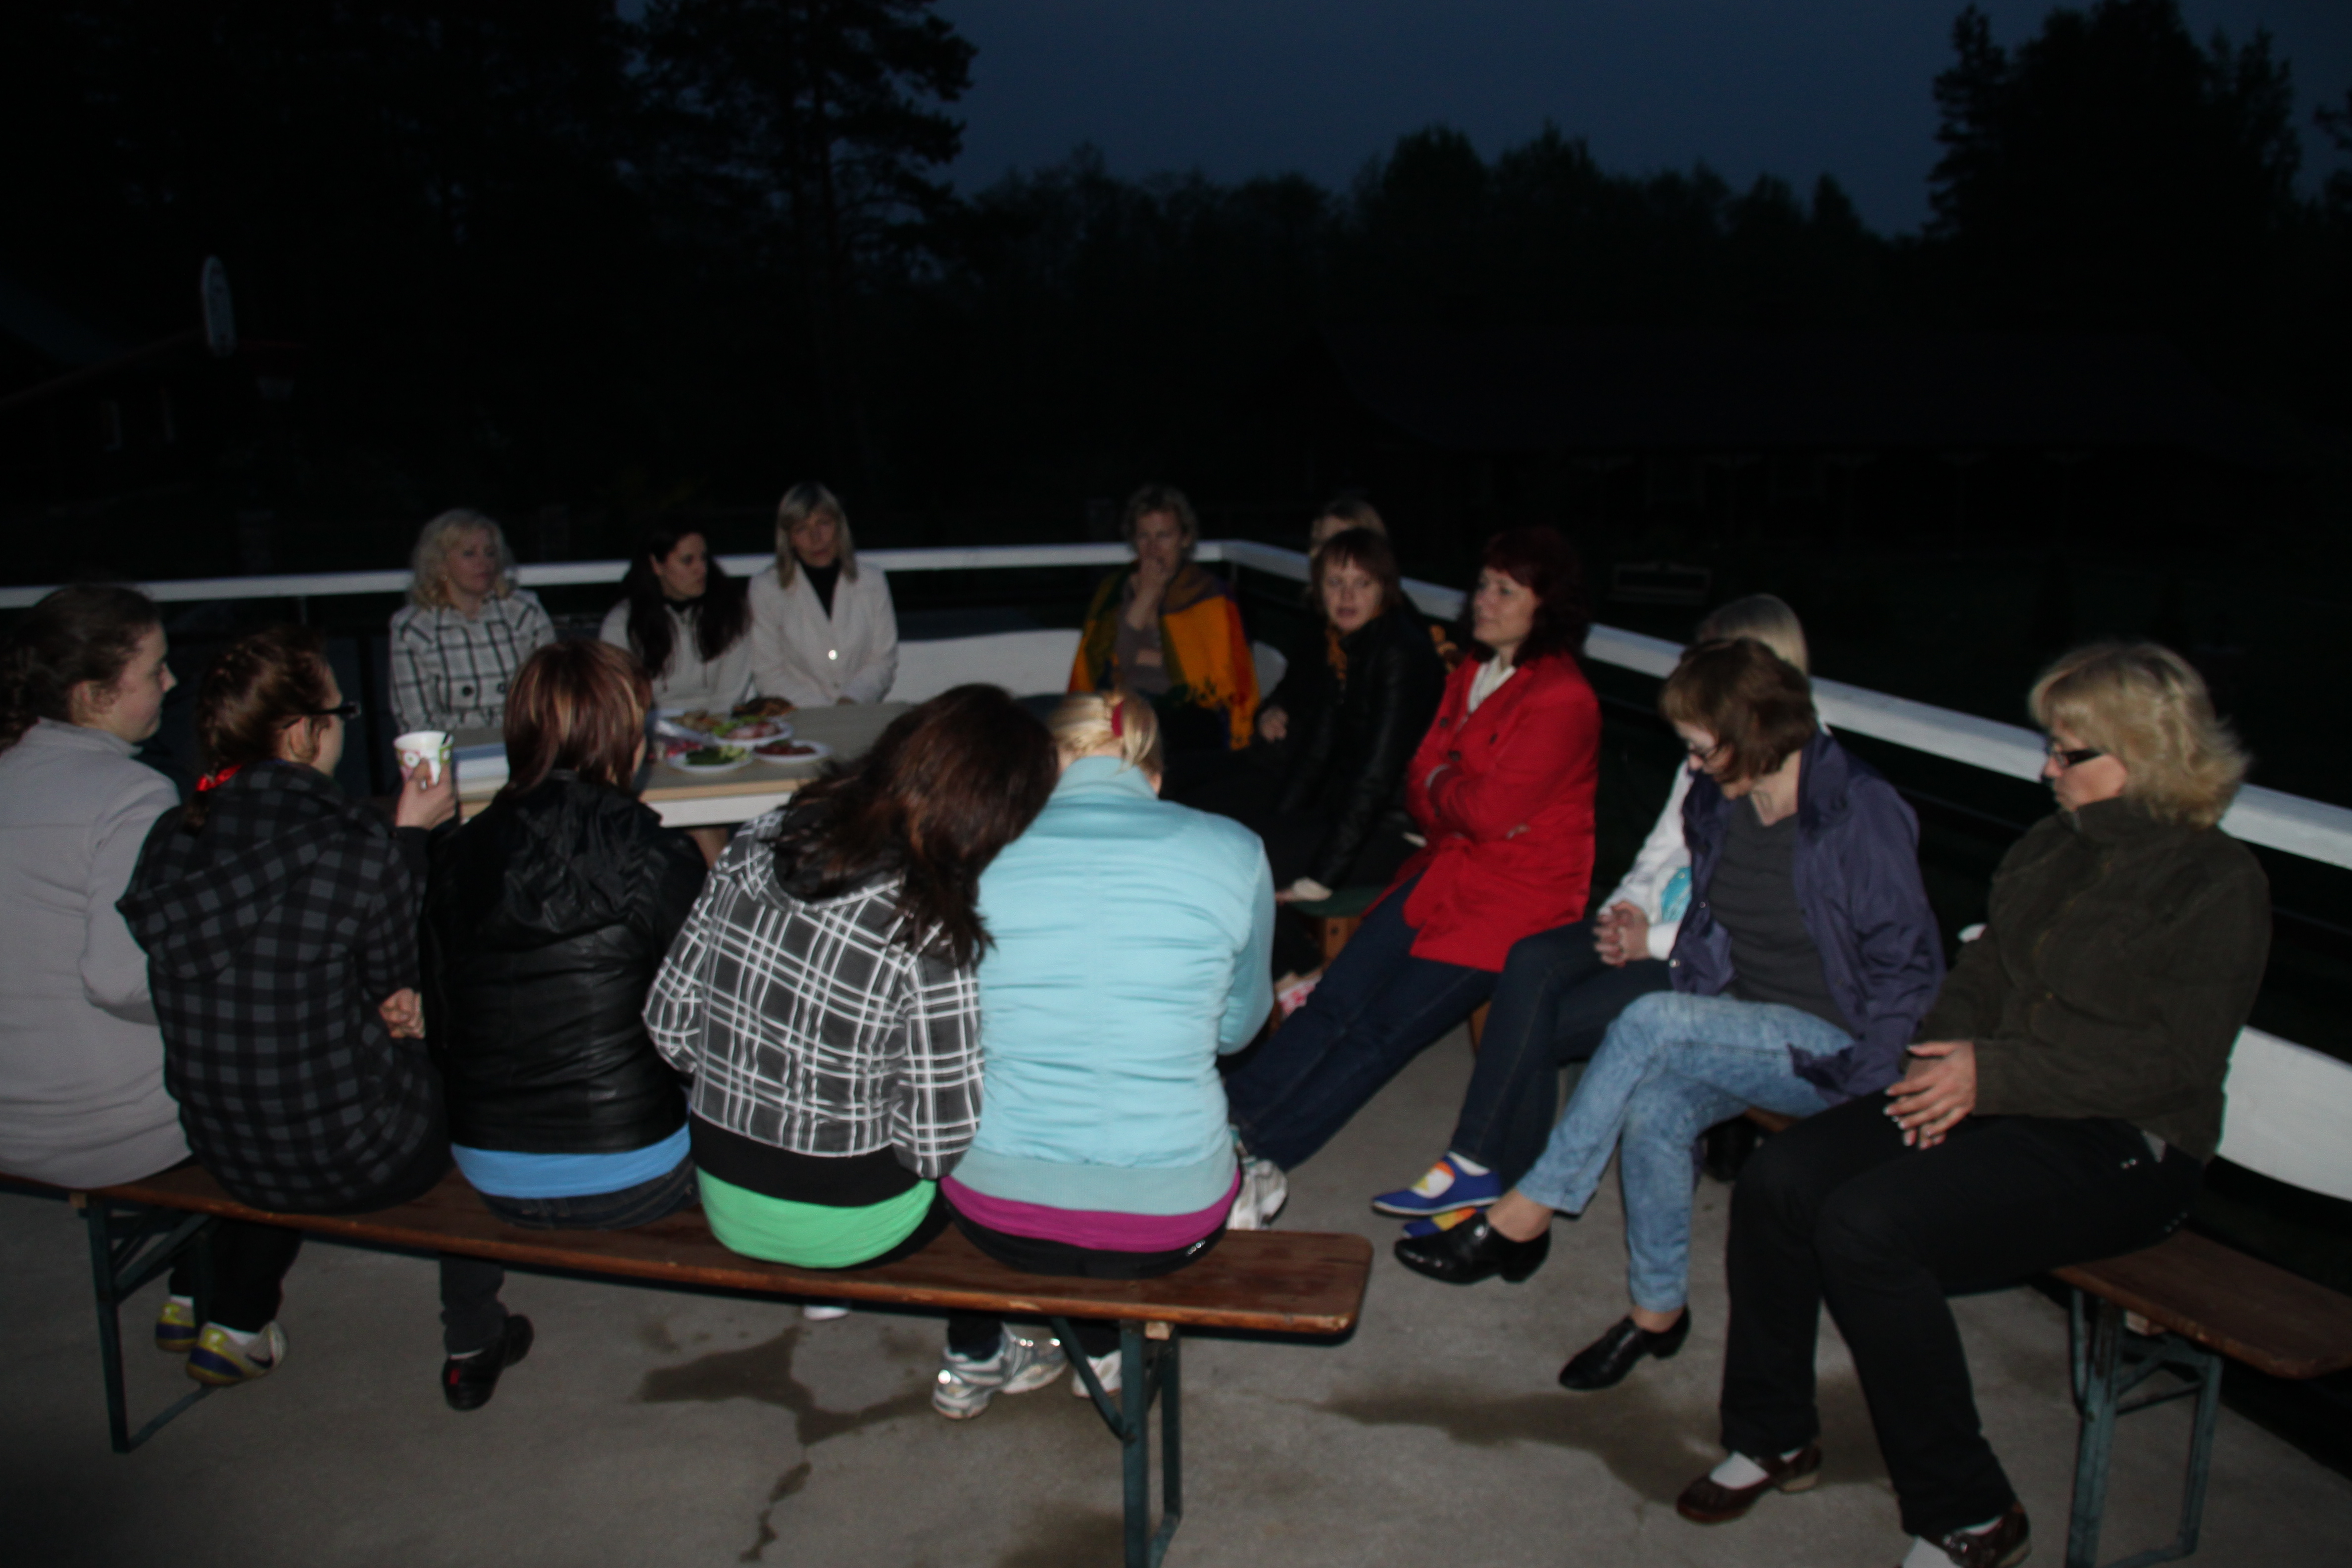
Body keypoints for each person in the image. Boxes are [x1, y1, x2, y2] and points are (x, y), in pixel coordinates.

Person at [1676, 643, 2266, 1568]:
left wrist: (1990, 1075)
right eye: (2050, 746)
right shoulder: (2052, 846)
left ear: (2145, 754)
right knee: (1782, 1178)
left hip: (2124, 1144)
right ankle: (1774, 1433)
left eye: (2069, 751)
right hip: (1998, 1098)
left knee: (1870, 1228)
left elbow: (2171, 1064)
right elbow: (1979, 978)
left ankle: (1972, 1511)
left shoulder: (2214, 882)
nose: (2046, 768)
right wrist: (1939, 1061)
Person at [1394, 638, 1943, 1401]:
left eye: (1701, 746)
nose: (1691, 762)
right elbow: (1711, 916)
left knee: (1651, 1019)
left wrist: (1874, 1085)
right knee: (1655, 1109)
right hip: (1742, 1017)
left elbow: (1907, 963)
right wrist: (1654, 933)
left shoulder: (1857, 808)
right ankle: (1658, 1315)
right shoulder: (1721, 796)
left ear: (1755, 729)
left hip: (1838, 1047)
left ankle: (1528, 1208)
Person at [118, 627, 532, 1410]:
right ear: (303, 732)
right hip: (355, 1157)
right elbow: (403, 981)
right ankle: (474, 1334)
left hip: (222, 1147)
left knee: (274, 1057)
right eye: (338, 714)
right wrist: (413, 838)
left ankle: (203, 1296)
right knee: (466, 1061)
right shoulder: (352, 843)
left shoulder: (171, 837)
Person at [1371, 595, 1812, 1219]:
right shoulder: (1709, 740)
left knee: (1535, 1027)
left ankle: (1500, 1195)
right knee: (1531, 960)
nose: (1695, 669)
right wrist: (1624, 907)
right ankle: (1479, 1173)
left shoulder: (1786, 769)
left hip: (1708, 959)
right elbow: (1664, 846)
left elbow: (1752, 916)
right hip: (1656, 924)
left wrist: (1649, 940)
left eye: (1714, 657)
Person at [1221, 526, 1603, 1224]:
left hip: (1511, 901)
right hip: (1443, 871)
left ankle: (1261, 1151)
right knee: (1335, 999)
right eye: (1483, 585)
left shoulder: (1563, 699)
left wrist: (1448, 787)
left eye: (1504, 591)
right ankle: (1228, 1120)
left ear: (1545, 605)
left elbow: (1485, 811)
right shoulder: (1471, 670)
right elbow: (1424, 779)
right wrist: (1450, 788)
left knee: (1380, 1034)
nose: (1483, 600)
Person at [933, 690, 1275, 1416]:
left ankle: (1015, 1346)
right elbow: (1236, 1033)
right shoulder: (1237, 850)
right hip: (1173, 1218)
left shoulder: (971, 854)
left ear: (1041, 770)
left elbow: (947, 1032)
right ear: (1155, 776)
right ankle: (1101, 1347)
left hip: (997, 1211)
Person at [642, 686, 1057, 1276]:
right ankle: (979, 1329)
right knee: (996, 1190)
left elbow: (669, 1026)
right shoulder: (928, 927)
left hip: (726, 1192)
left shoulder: (757, 839)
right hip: (854, 1217)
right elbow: (935, 1148)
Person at [423, 641, 709, 1237]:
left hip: (488, 1166)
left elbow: (442, 1022)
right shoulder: (657, 855)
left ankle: (471, 1295)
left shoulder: (453, 854)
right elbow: (708, 1021)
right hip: (635, 1172)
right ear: (623, 738)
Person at [1244, 527, 1445, 908]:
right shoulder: (1344, 645)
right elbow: (1317, 751)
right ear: (1319, 588)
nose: (1347, 596)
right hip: (1352, 815)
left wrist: (1322, 879)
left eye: (1362, 583)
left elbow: (1377, 777)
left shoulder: (1400, 653)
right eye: (1335, 582)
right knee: (1243, 847)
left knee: (1252, 867)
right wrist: (1277, 825)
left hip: (1401, 829)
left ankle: (1296, 948)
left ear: (1384, 588)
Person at [1069, 483, 1258, 766]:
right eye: (1144, 536)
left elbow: (1211, 673)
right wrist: (1147, 596)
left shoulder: (1207, 593)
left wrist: (1147, 657)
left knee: (1157, 736)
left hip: (1189, 709)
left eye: (1163, 536)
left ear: (1184, 538)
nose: (1153, 548)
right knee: (1097, 731)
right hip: (1124, 703)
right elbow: (1115, 661)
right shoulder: (1116, 589)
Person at [389, 508, 556, 735]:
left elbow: (551, 694)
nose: (484, 563)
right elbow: (416, 721)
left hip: (524, 741)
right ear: (440, 564)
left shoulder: (524, 611)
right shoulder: (415, 628)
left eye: (490, 553)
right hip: (453, 748)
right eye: (469, 554)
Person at [1255, 495, 1389, 749]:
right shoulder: (1319, 619)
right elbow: (1290, 687)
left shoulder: (1387, 639)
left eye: (1338, 542)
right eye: (1318, 543)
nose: (1321, 553)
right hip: (1290, 751)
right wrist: (1272, 711)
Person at [748, 482, 897, 705]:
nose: (815, 537)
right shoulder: (766, 589)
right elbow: (768, 673)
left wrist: (852, 700)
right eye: (802, 529)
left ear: (839, 526)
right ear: (789, 538)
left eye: (824, 524)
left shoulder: (872, 581)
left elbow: (882, 660)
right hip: (799, 715)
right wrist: (824, 712)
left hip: (859, 709)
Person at [598, 523, 757, 712]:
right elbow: (621, 695)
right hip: (650, 723)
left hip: (718, 721)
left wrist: (710, 725)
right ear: (656, 565)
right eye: (688, 561)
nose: (702, 570)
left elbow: (730, 695)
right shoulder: (622, 623)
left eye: (704, 558)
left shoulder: (731, 612)